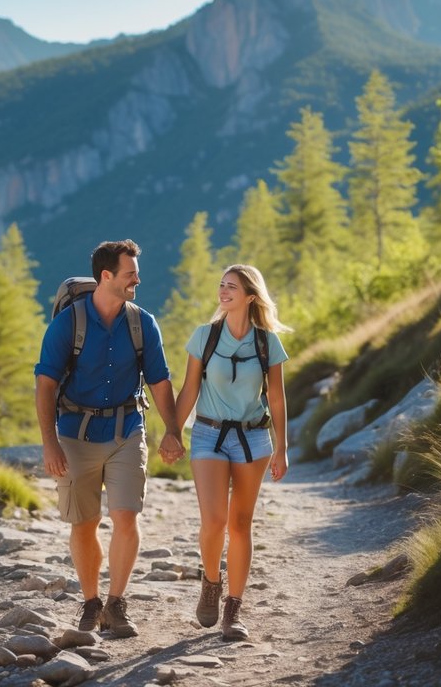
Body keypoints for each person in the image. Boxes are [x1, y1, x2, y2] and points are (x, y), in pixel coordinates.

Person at [35, 239, 184, 638]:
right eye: (130, 272)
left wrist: (173, 430)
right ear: (107, 276)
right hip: (74, 436)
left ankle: (116, 604)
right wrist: (49, 443)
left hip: (126, 430)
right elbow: (46, 384)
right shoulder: (69, 323)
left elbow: (160, 381)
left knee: (125, 516)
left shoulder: (142, 323)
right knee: (83, 523)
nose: (138, 278)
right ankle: (90, 603)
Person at [173, 264, 289, 641]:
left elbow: (276, 397)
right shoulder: (205, 337)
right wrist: (173, 432)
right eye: (221, 285)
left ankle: (233, 610)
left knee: (240, 525)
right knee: (215, 521)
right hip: (207, 435)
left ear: (251, 297)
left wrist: (282, 447)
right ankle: (210, 581)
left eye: (232, 287)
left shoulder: (266, 342)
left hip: (254, 439)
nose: (223, 291)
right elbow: (189, 390)